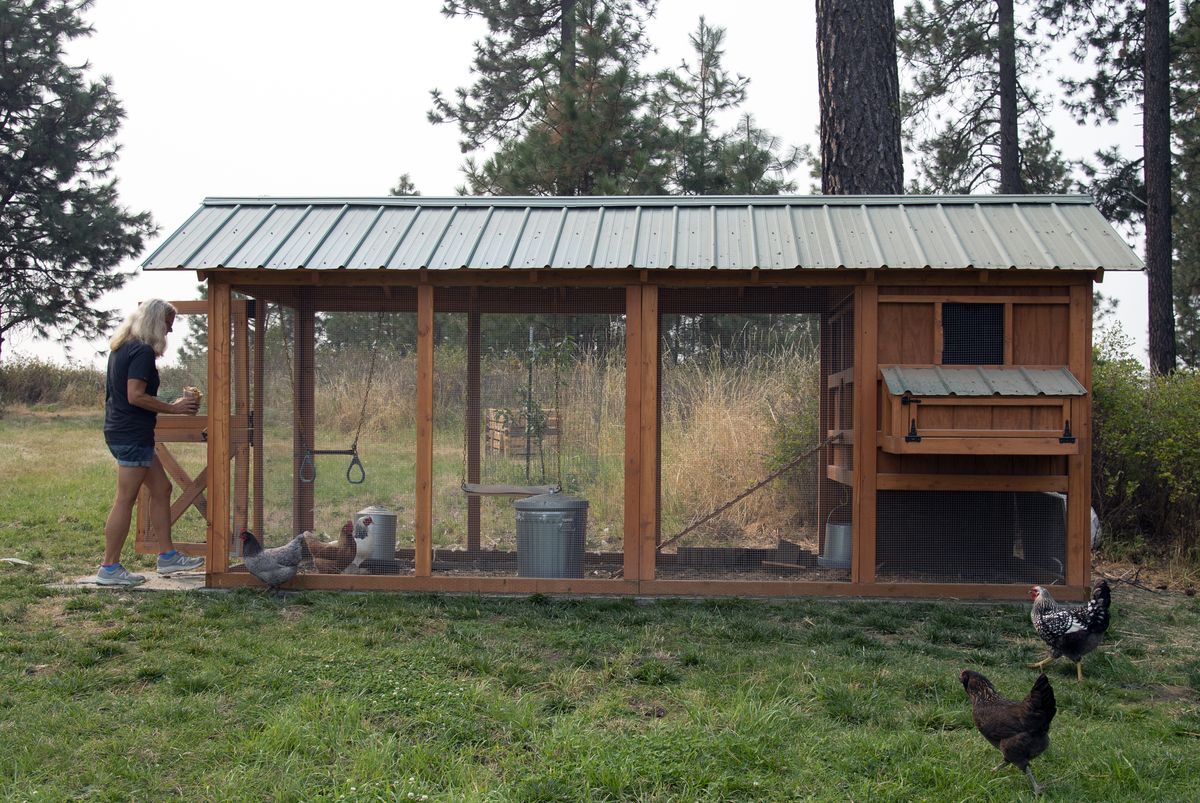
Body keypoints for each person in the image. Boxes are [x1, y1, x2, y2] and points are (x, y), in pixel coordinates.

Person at [98, 299, 205, 586]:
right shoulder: (142, 351)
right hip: (131, 435)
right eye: (168, 324)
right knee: (125, 499)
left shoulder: (122, 348)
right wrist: (174, 408)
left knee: (162, 488)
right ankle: (109, 567)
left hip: (127, 432)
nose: (170, 331)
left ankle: (167, 556)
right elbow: (135, 395)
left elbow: (129, 394)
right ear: (156, 323)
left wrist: (171, 405)